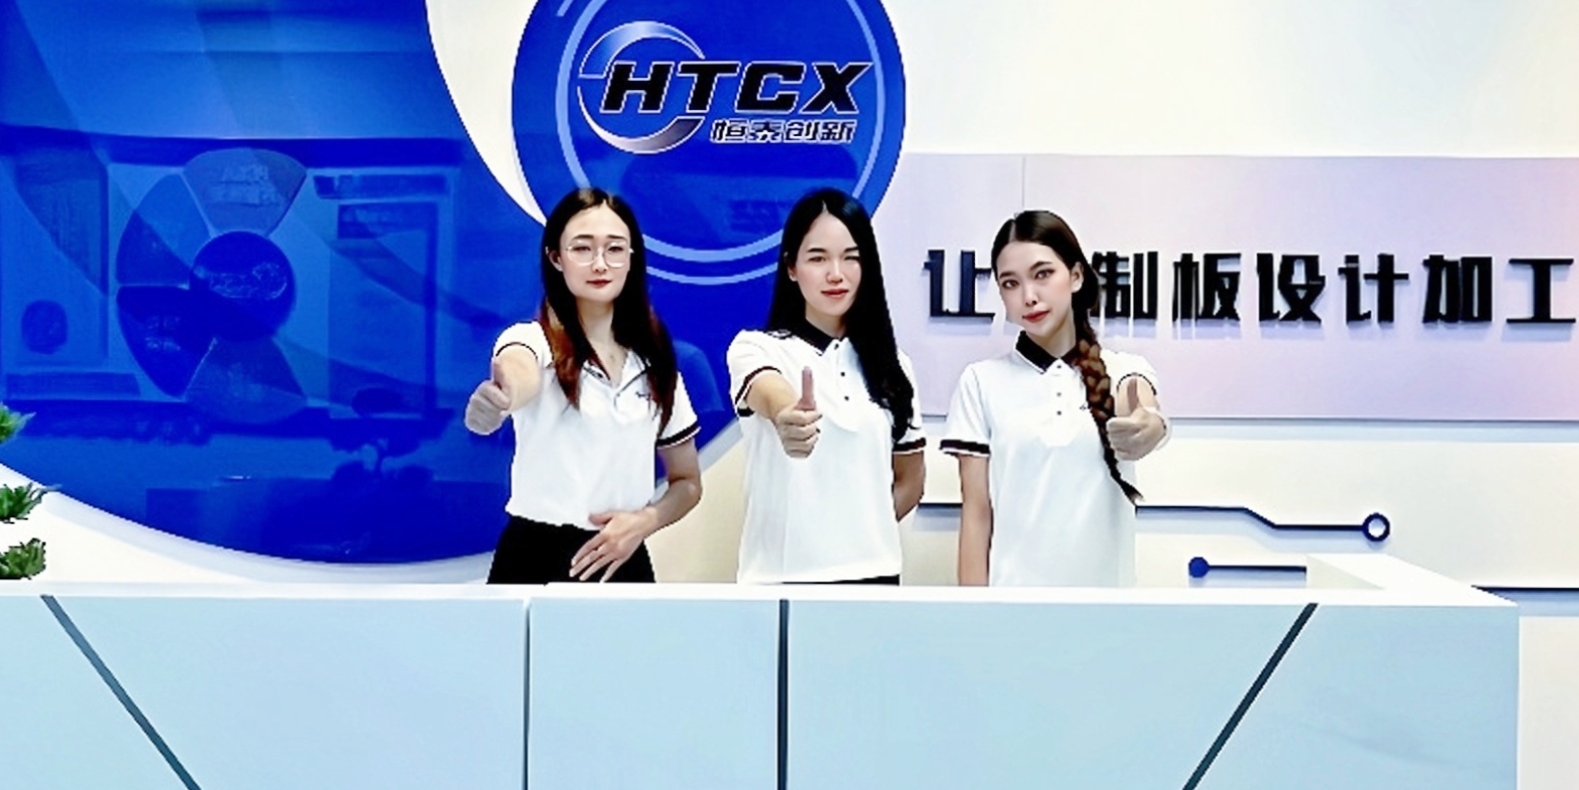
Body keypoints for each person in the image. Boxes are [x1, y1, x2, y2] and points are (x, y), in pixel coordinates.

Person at [466, 187, 701, 583]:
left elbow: (688, 482)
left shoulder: (656, 362)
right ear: (556, 257)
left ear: (631, 258)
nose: (600, 263)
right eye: (582, 248)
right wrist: (501, 400)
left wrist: (645, 521)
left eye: (615, 248)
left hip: (621, 557)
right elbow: (518, 371)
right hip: (534, 556)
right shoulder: (533, 340)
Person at [943, 210, 1169, 588]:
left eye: (1042, 274)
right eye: (1010, 283)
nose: (1029, 296)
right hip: (1013, 608)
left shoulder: (1124, 369)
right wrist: (974, 612)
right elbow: (977, 515)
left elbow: (1141, 405)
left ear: (1076, 276)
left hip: (1108, 610)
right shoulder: (980, 381)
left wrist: (1148, 425)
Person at [726, 188, 925, 584]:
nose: (836, 273)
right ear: (791, 267)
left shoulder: (894, 366)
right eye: (818, 258)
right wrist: (787, 416)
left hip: (876, 580)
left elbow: (911, 479)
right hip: (782, 582)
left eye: (851, 257)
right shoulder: (756, 347)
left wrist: (859, 538)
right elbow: (769, 390)